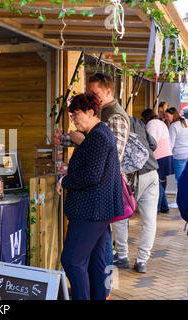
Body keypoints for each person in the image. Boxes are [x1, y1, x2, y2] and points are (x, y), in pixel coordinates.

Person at [53, 73, 130, 295]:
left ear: (89, 112)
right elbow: (96, 169)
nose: (73, 121)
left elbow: (93, 176)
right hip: (98, 209)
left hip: (91, 210)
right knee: (95, 263)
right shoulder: (100, 133)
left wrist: (66, 179)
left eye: (76, 116)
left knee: (72, 261)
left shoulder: (98, 135)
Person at [112, 116, 159, 273]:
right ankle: (142, 261)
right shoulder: (137, 122)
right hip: (151, 172)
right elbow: (153, 144)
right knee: (150, 220)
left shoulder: (111, 122)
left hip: (129, 176)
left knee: (121, 214)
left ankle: (122, 255)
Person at [142, 109, 174, 214]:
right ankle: (164, 207)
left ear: (146, 117)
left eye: (143, 118)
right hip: (167, 155)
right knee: (160, 182)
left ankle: (157, 208)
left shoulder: (151, 124)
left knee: (157, 183)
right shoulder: (161, 123)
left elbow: (151, 142)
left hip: (159, 156)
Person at [165, 107, 188, 208]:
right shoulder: (186, 122)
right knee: (185, 179)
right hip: (187, 154)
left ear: (173, 115)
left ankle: (178, 202)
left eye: (168, 116)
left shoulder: (174, 126)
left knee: (179, 180)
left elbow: (170, 144)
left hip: (178, 155)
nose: (166, 118)